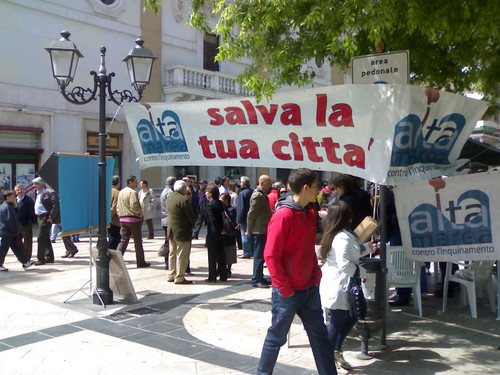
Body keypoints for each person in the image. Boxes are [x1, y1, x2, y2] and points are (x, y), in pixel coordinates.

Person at [257, 168, 337, 375]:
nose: (319, 189)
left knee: (320, 337)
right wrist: (285, 288)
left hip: (308, 288)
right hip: (288, 291)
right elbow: (271, 255)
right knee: (276, 338)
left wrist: (315, 276)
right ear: (305, 187)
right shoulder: (283, 215)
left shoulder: (309, 213)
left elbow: (308, 248)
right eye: (316, 185)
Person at [319, 200, 376, 370]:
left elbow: (352, 252)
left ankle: (334, 351)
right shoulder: (341, 236)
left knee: (350, 316)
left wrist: (367, 248)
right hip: (339, 285)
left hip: (340, 284)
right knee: (337, 322)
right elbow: (345, 263)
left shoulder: (340, 234)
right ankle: (327, 359)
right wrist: (363, 273)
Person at [116, 175, 150, 268]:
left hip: (122, 218)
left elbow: (118, 206)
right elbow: (134, 206)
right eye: (135, 182)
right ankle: (140, 261)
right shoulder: (132, 192)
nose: (136, 184)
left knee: (123, 240)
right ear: (130, 182)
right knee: (138, 241)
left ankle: (117, 259)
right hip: (132, 218)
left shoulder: (121, 192)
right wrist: (140, 213)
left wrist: (120, 215)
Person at [166, 180, 195, 284]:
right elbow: (190, 216)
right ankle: (179, 277)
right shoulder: (183, 200)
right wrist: (192, 225)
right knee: (182, 255)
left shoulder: (170, 197)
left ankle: (171, 274)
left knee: (172, 253)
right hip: (182, 231)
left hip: (171, 230)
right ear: (183, 189)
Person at [246, 174, 272, 288]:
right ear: (262, 183)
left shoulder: (262, 195)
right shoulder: (258, 196)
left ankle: (260, 277)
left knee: (262, 255)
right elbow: (251, 214)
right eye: (268, 183)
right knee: (258, 256)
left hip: (262, 229)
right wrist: (248, 229)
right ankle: (256, 279)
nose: (270, 185)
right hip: (258, 230)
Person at [0, 190, 35, 272]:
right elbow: (10, 221)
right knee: (3, 249)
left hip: (11, 232)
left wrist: (16, 207)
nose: (15, 198)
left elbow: (16, 215)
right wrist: (16, 230)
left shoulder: (10, 206)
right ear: (7, 197)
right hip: (8, 232)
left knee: (17, 248)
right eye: (13, 196)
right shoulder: (6, 207)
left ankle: (25, 262)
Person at [33, 177, 60, 265]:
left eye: (36, 184)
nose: (34, 186)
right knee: (45, 237)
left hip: (45, 217)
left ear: (41, 184)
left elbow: (56, 204)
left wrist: (51, 216)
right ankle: (49, 257)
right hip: (40, 217)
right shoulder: (39, 193)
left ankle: (40, 259)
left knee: (41, 238)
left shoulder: (48, 192)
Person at [204, 184, 227, 282]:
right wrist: (222, 229)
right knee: (222, 255)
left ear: (211, 194)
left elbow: (212, 220)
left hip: (213, 233)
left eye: (207, 192)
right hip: (222, 232)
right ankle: (223, 275)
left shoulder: (210, 205)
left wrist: (217, 230)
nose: (205, 194)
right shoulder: (221, 203)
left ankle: (212, 276)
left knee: (212, 256)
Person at [14, 184, 36, 260]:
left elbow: (31, 212)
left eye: (21, 189)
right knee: (17, 241)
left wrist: (29, 222)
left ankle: (27, 257)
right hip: (17, 225)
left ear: (24, 190)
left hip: (26, 224)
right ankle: (22, 255)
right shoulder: (14, 200)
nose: (19, 191)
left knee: (27, 242)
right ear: (15, 191)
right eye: (17, 190)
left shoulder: (28, 200)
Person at [160, 176, 176, 269]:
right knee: (170, 242)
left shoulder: (163, 191)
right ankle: (168, 262)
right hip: (169, 220)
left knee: (167, 241)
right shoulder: (170, 193)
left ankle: (167, 262)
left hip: (164, 220)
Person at [236, 176, 253, 258]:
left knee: (245, 235)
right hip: (252, 217)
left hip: (244, 218)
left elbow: (241, 207)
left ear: (243, 183)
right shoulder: (252, 191)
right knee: (251, 235)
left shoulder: (242, 193)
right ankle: (252, 251)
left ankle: (246, 252)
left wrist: (238, 220)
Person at [221, 193, 237, 278]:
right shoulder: (221, 209)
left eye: (222, 199)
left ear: (226, 200)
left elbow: (233, 222)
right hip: (223, 234)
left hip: (230, 234)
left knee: (229, 252)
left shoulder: (231, 210)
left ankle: (228, 269)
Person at [108, 175, 121, 250]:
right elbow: (114, 207)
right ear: (118, 183)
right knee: (115, 239)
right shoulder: (117, 193)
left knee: (111, 237)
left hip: (108, 219)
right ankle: (110, 255)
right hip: (114, 220)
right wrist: (109, 217)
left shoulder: (107, 191)